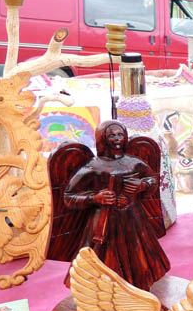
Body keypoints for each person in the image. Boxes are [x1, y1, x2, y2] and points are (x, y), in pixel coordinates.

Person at [61, 120, 170, 291]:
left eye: (120, 134)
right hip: (104, 224)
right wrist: (96, 197)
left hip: (134, 222)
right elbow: (68, 197)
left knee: (138, 259)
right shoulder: (92, 167)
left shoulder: (134, 163)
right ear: (102, 139)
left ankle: (140, 290)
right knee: (103, 262)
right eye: (111, 135)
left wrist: (142, 185)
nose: (117, 139)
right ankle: (105, 293)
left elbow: (153, 179)